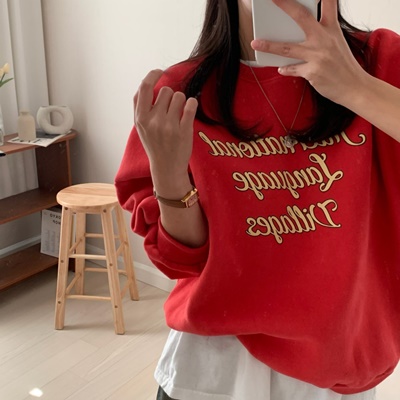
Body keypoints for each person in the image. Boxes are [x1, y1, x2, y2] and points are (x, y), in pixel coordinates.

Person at [115, 0, 400, 399]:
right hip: (216, 363)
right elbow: (181, 260)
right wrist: (168, 173)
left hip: (339, 361)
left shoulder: (381, 63)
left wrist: (355, 86)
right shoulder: (182, 93)